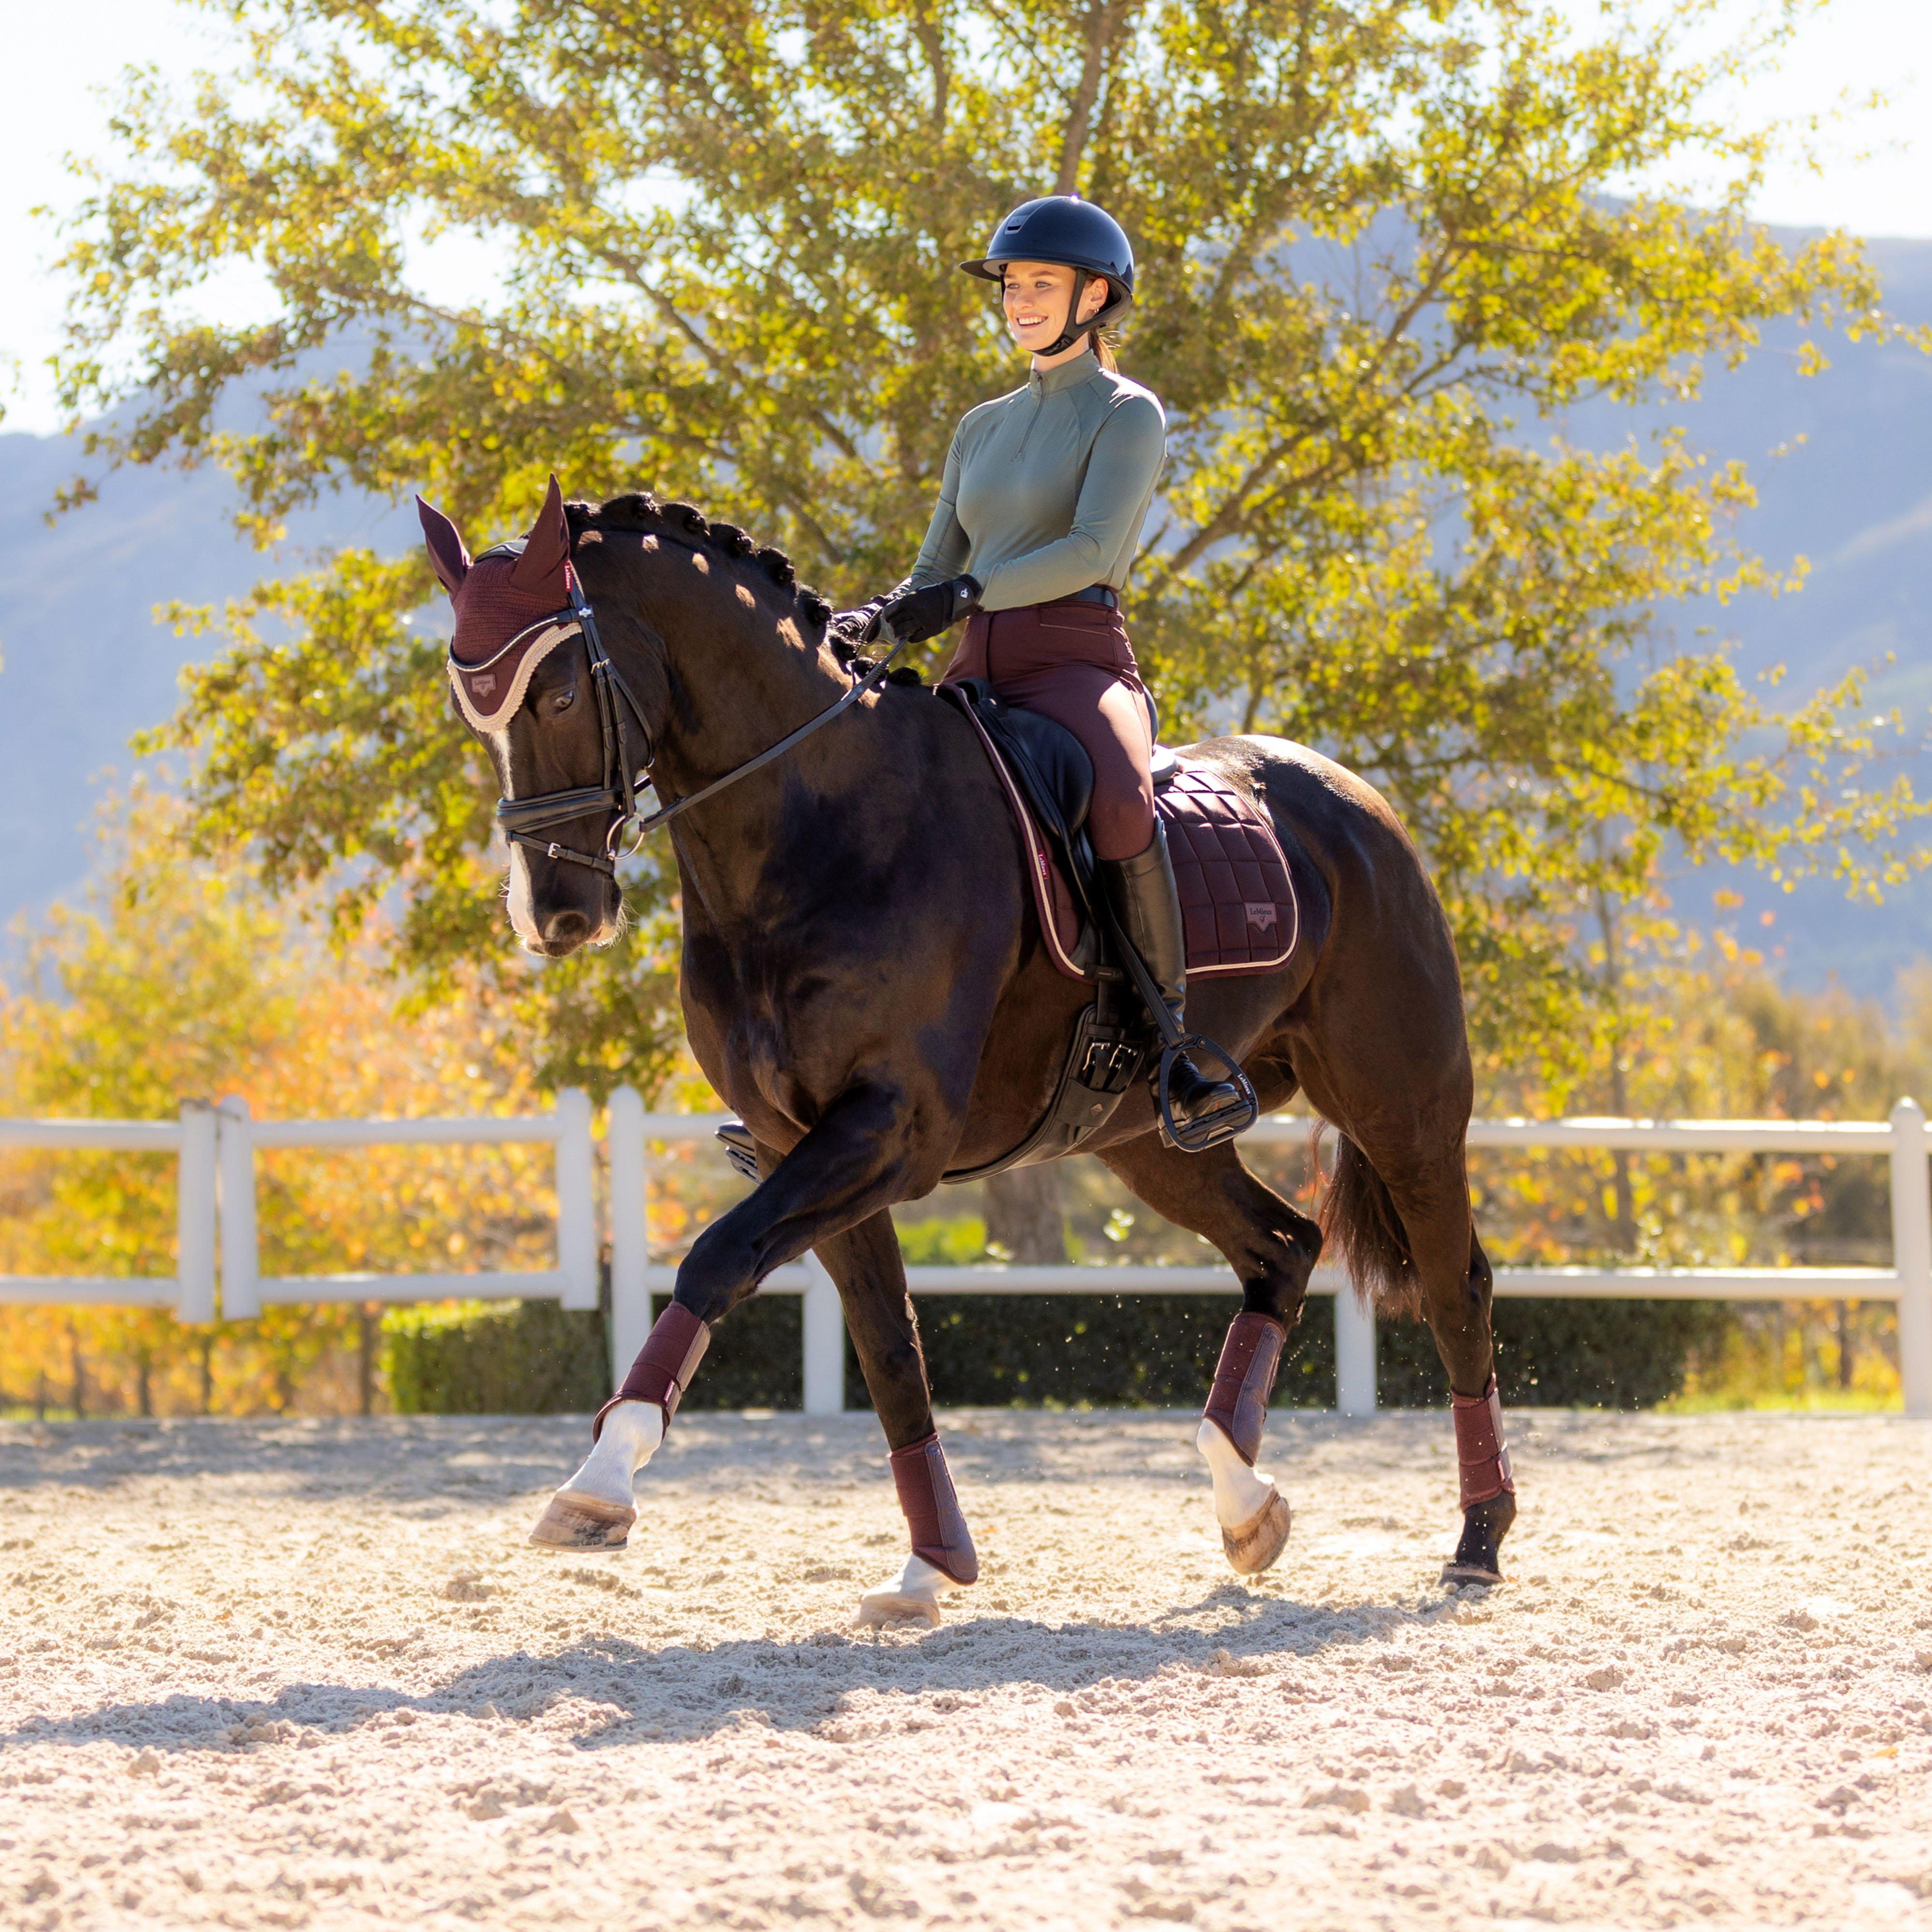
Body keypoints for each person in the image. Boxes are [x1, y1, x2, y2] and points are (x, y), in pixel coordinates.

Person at [848, 194, 1245, 1138]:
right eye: (1011, 286)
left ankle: (1173, 1044)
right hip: (974, 668)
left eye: (1040, 284)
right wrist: (873, 617)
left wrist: (965, 592)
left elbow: (1089, 549)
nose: (1019, 301)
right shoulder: (979, 427)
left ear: (1093, 296)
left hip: (1076, 664)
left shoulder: (1126, 414)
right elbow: (933, 568)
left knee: (1120, 795)